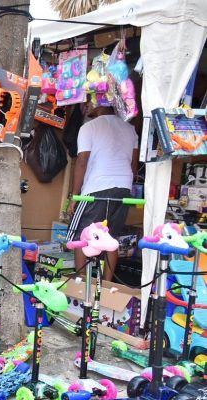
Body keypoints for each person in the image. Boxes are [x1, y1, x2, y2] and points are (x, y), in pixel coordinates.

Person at [67, 103, 138, 281]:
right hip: (123, 187)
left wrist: (75, 196)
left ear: (99, 103)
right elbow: (134, 166)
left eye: (88, 102)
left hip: (96, 188)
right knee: (111, 237)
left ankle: (81, 281)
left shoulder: (89, 127)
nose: (85, 107)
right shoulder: (130, 129)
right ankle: (106, 283)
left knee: (82, 234)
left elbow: (81, 161)